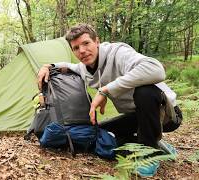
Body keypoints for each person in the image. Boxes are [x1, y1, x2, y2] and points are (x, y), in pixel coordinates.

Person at [37, 23, 182, 177]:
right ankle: (153, 145)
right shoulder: (84, 68)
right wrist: (47, 66)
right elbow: (68, 66)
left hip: (166, 114)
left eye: (86, 43)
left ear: (97, 41)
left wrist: (105, 90)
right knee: (100, 133)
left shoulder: (118, 53)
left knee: (145, 92)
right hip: (137, 117)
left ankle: (149, 155)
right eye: (76, 48)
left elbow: (157, 70)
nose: (82, 51)